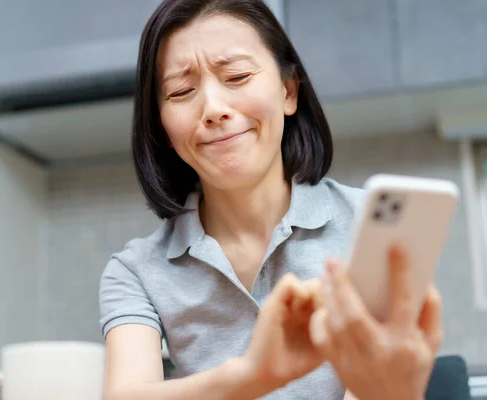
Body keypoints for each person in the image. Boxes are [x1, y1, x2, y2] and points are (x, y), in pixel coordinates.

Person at [99, 0, 444, 399]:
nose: (213, 109)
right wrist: (252, 375)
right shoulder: (136, 271)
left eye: (237, 76)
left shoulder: (373, 228)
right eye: (181, 91)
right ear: (161, 123)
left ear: (288, 91)